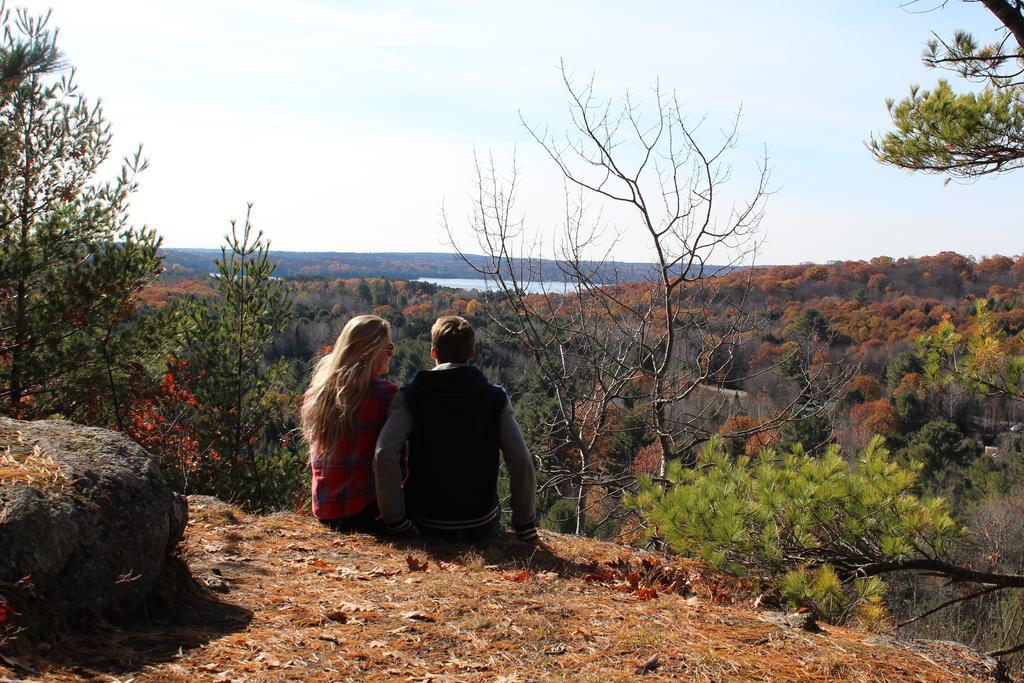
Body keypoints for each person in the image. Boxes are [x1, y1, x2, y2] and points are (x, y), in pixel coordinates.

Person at [374, 315, 539, 543]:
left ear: (433, 352)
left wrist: (396, 521)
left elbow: (384, 453)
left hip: (424, 520)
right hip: (481, 523)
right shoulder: (495, 398)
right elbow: (520, 459)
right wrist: (525, 526)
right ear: (472, 353)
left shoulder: (410, 397)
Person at [301, 314, 397, 532]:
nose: (392, 355)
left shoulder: (316, 394)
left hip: (324, 508)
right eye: (389, 349)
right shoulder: (386, 397)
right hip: (363, 511)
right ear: (373, 353)